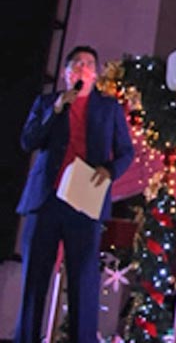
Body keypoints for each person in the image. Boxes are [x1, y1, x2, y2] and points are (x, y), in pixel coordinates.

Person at [15, 45, 135, 343]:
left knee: (83, 277)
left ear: (95, 75)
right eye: (76, 63)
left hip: (85, 198)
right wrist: (56, 110)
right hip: (46, 199)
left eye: (89, 63)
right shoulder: (47, 103)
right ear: (67, 73)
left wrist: (109, 170)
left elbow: (126, 151)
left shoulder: (108, 108)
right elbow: (28, 141)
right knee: (35, 277)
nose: (83, 67)